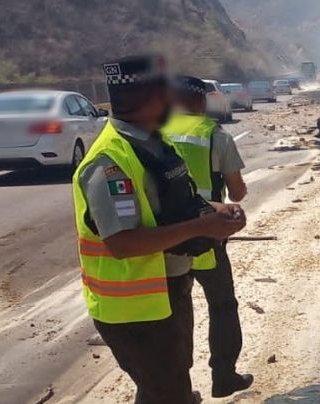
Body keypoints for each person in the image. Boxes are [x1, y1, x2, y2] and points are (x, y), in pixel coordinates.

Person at [72, 56, 247, 404]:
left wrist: (218, 211)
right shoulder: (109, 162)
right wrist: (203, 226)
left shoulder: (151, 143)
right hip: (134, 310)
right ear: (147, 98)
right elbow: (122, 242)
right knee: (167, 392)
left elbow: (172, 204)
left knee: (168, 385)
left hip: (165, 293)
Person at [162, 75, 252, 398]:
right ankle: (223, 376)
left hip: (168, 241)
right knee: (222, 305)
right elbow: (238, 192)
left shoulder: (156, 134)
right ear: (201, 102)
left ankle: (179, 390)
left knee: (175, 315)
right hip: (207, 239)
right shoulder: (215, 136)